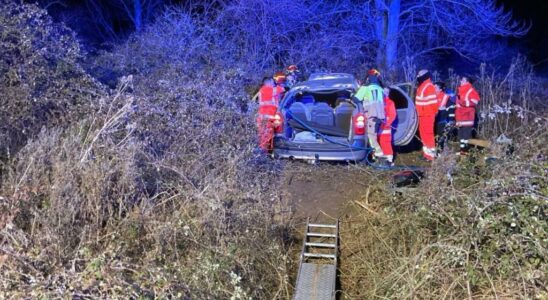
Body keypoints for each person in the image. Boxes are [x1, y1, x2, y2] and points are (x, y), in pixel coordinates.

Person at [353, 69, 385, 159]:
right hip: (381, 117)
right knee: (375, 136)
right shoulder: (381, 89)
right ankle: (375, 156)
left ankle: (380, 156)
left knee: (371, 136)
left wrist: (352, 95)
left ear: (368, 78)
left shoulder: (365, 88)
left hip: (371, 116)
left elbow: (356, 99)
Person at [415, 69, 439, 161]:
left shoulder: (428, 86)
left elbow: (433, 103)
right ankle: (426, 154)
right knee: (423, 135)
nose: (418, 76)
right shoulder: (422, 86)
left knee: (428, 135)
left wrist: (432, 113)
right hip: (422, 114)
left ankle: (431, 156)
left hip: (427, 115)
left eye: (419, 75)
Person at [256, 77, 284, 151]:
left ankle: (267, 153)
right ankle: (264, 154)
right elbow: (281, 89)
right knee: (265, 138)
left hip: (265, 118)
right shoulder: (268, 89)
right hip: (267, 118)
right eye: (272, 82)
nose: (273, 84)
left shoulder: (263, 90)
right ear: (267, 83)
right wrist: (280, 83)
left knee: (265, 137)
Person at [456, 75, 480, 155]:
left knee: (466, 135)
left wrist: (462, 102)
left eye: (462, 80)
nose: (460, 81)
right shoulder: (460, 91)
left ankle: (466, 151)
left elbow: (475, 102)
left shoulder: (471, 91)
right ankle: (462, 150)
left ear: (467, 82)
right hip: (460, 117)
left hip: (467, 116)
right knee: (461, 135)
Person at [378, 87, 397, 166]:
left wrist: (387, 123)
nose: (384, 93)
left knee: (386, 143)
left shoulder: (390, 102)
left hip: (385, 127)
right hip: (378, 127)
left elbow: (393, 115)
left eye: (386, 92)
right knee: (379, 142)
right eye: (383, 91)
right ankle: (381, 159)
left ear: (388, 93)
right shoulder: (379, 102)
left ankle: (389, 160)